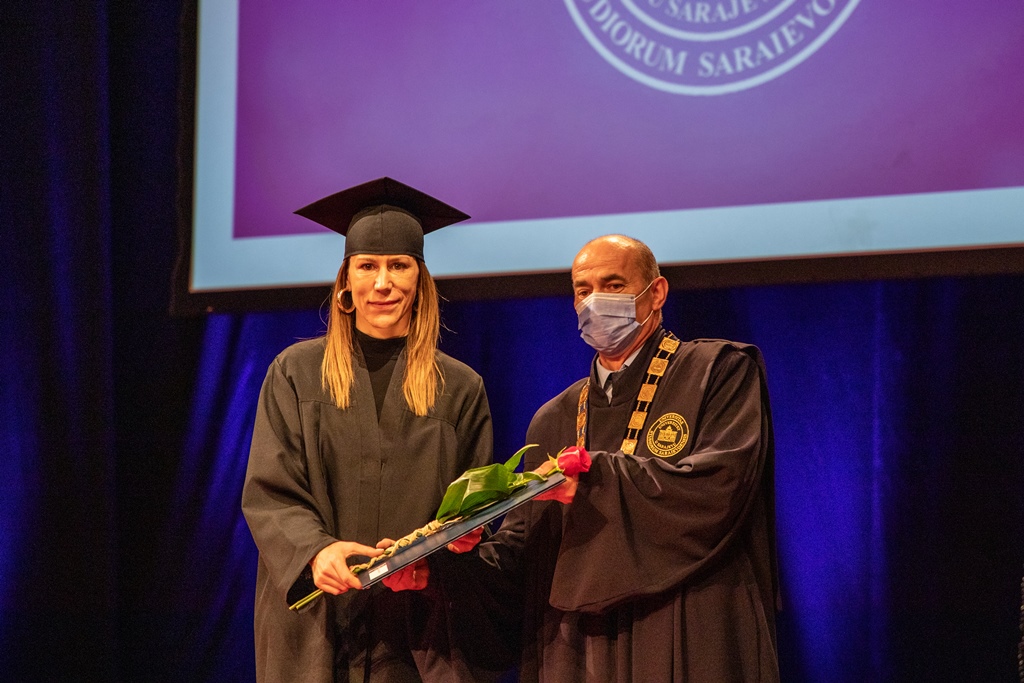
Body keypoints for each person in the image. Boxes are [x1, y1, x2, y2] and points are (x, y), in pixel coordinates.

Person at [396, 233, 780, 681]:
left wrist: (595, 479)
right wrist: (438, 570)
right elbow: (522, 560)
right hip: (578, 653)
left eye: (614, 285)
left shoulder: (718, 371)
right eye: (583, 290)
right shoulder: (554, 418)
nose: (596, 301)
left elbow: (720, 487)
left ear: (656, 292)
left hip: (685, 631)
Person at [241, 177, 496, 683]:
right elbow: (271, 491)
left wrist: (448, 552)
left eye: (399, 265)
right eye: (367, 266)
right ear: (346, 281)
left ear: (420, 281)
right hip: (315, 627)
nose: (382, 283)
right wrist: (316, 551)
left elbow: (474, 513)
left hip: (414, 634)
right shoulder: (295, 373)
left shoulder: (459, 387)